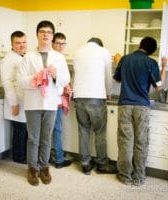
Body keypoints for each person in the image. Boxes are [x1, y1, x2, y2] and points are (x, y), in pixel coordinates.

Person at [18, 20, 70, 186]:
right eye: (42, 31)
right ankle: (32, 168)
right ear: (37, 35)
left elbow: (66, 79)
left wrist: (55, 76)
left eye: (48, 32)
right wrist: (35, 78)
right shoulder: (28, 57)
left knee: (46, 138)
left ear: (52, 36)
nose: (45, 34)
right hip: (33, 103)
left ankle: (44, 167)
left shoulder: (59, 57)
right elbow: (19, 81)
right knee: (33, 138)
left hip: (50, 103)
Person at [113, 36, 167, 186]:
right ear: (151, 51)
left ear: (139, 45)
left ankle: (125, 176)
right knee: (141, 142)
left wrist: (119, 63)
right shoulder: (151, 63)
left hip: (125, 105)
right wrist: (164, 66)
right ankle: (139, 177)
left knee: (125, 141)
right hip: (142, 107)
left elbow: (117, 79)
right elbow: (158, 86)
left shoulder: (125, 59)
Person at [72, 37, 117, 175]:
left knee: (83, 130)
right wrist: (109, 92)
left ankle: (85, 163)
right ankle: (102, 164)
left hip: (78, 96)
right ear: (100, 44)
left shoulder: (77, 52)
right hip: (96, 96)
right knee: (99, 131)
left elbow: (75, 75)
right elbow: (108, 76)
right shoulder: (104, 52)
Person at [0, 31, 27, 164]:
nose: (22, 45)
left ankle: (24, 156)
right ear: (12, 44)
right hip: (16, 101)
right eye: (18, 43)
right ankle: (19, 157)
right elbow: (7, 82)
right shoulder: (8, 60)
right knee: (19, 130)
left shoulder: (22, 57)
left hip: (24, 100)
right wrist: (14, 103)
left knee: (24, 129)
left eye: (24, 42)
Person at [51, 32, 72, 168]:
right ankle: (59, 159)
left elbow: (64, 79)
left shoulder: (60, 58)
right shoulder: (52, 57)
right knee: (56, 130)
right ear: (52, 43)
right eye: (58, 43)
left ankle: (54, 156)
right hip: (53, 100)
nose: (61, 46)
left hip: (54, 99)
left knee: (53, 130)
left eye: (63, 43)